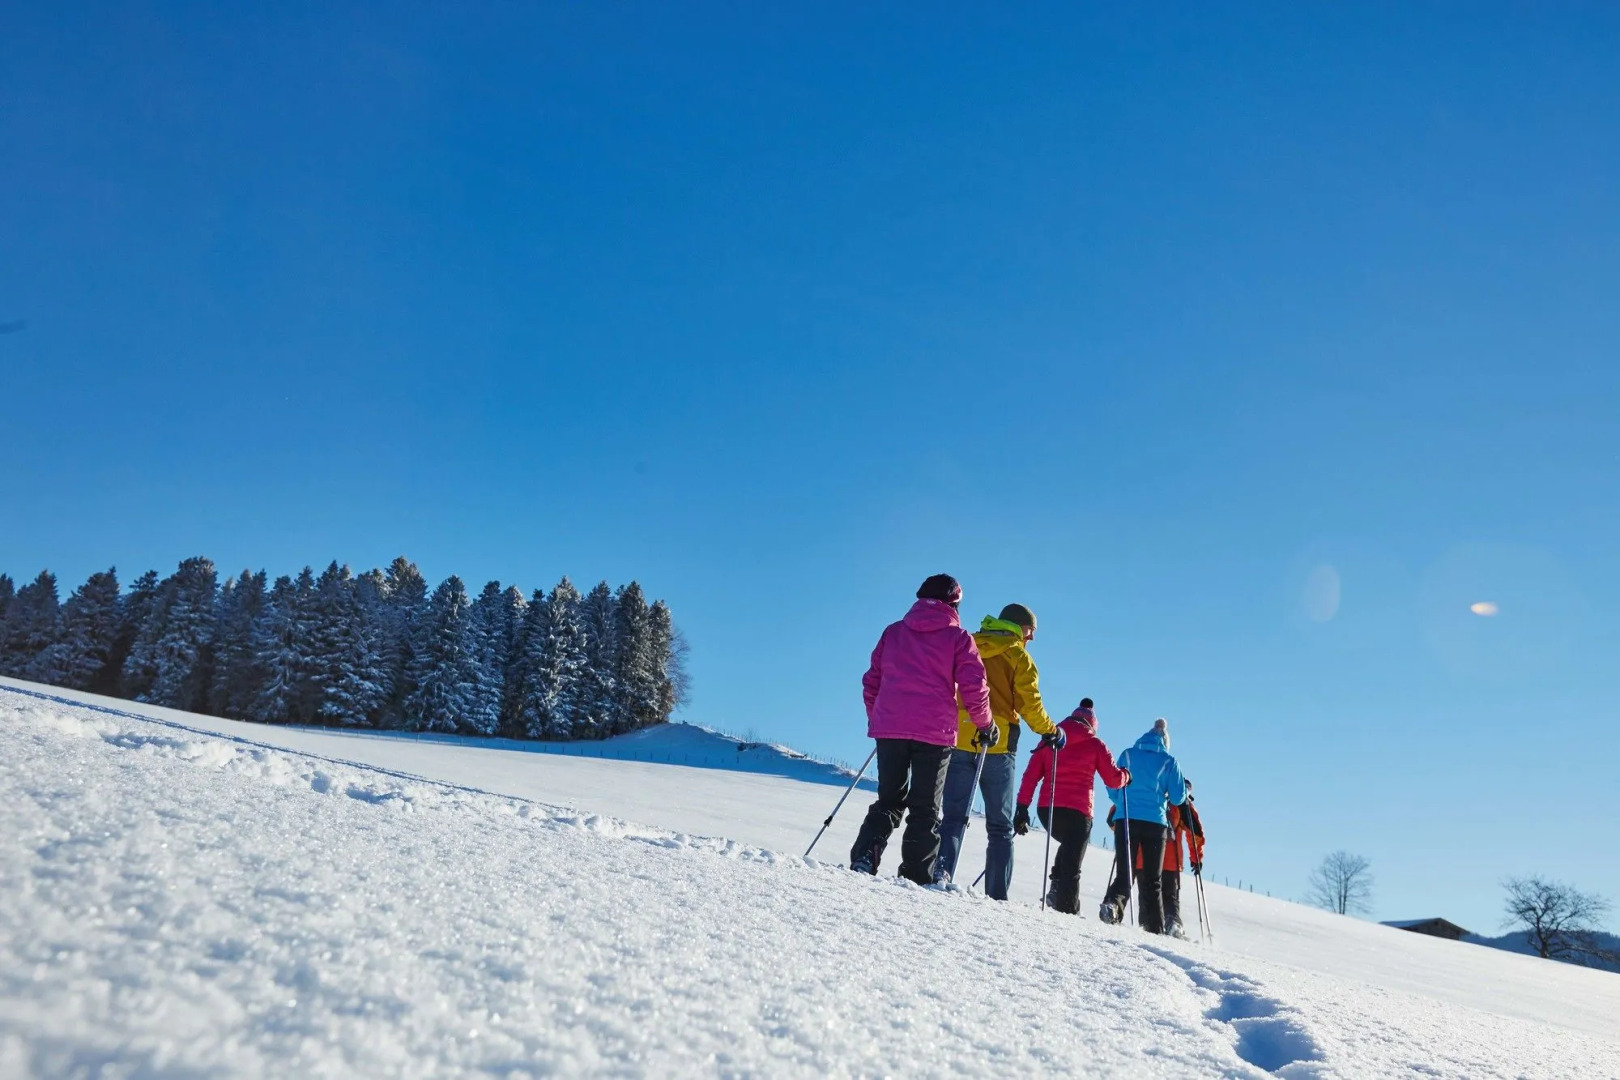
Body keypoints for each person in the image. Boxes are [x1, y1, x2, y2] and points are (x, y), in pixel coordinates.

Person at [850, 574, 994, 885]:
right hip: (934, 732)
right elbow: (974, 686)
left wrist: (879, 717)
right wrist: (985, 724)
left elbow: (871, 680)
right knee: (926, 808)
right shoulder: (959, 638)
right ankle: (916, 876)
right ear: (954, 603)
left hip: (891, 728)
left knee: (889, 799)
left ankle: (865, 857)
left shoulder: (893, 632)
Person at [935, 603, 1059, 897]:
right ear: (1019, 627)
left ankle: (940, 872)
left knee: (953, 815)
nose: (1032, 638)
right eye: (1031, 630)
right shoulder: (1019, 657)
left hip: (960, 736)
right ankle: (997, 894)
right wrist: (1051, 731)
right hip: (999, 745)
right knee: (1000, 826)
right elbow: (1030, 706)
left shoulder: (970, 645)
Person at [1012, 698, 1129, 913]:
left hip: (1048, 810)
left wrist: (1022, 808)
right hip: (1079, 812)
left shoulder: (1051, 738)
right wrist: (1126, 777)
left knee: (1067, 845)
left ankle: (1057, 886)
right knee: (1073, 865)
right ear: (1092, 725)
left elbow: (1030, 776)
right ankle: (1067, 911)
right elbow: (1113, 779)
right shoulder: (1096, 744)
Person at [1098, 718, 1187, 933]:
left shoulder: (1128, 754)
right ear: (1165, 741)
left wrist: (1121, 803)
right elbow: (1177, 797)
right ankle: (1154, 928)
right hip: (1155, 823)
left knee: (1125, 872)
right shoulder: (1169, 761)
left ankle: (1113, 906)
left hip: (1126, 818)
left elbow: (1112, 782)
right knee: (1153, 880)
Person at [1161, 782, 1205, 939]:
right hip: (1171, 860)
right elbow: (1195, 834)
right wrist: (1196, 858)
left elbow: (1112, 821)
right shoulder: (1183, 805)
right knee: (1170, 897)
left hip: (1146, 857)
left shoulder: (1157, 795)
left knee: (1149, 895)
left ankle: (1149, 927)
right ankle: (1173, 925)